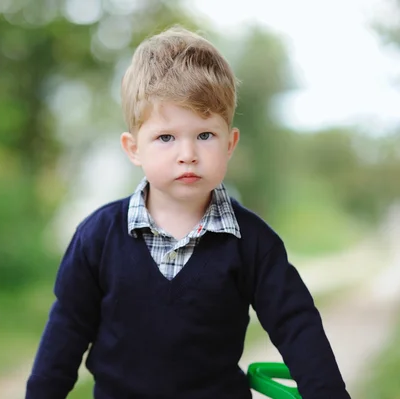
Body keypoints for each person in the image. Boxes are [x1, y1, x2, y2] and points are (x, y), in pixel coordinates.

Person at [25, 25, 350, 399]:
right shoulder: (98, 237)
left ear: (230, 143)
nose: (187, 153)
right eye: (166, 137)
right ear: (133, 148)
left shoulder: (253, 243)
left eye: (205, 135)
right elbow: (67, 328)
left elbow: (296, 323)